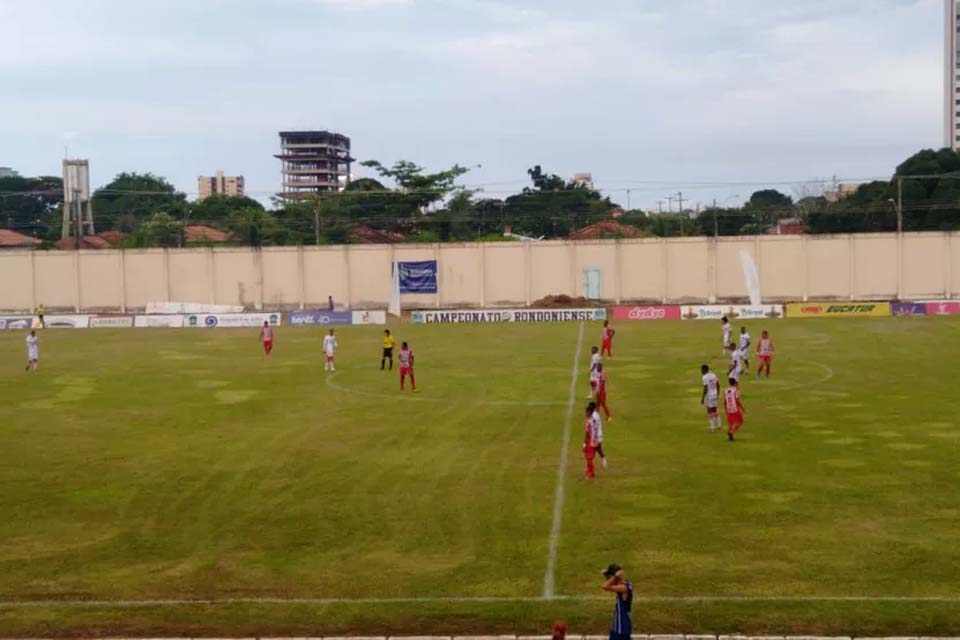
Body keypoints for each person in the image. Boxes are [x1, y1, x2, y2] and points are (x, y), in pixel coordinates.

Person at [601, 564, 633, 640]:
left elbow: (605, 586)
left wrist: (615, 576)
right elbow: (610, 584)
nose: (609, 579)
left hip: (621, 627)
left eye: (610, 576)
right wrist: (608, 575)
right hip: (620, 626)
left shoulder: (623, 588)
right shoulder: (626, 584)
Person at [700, 364, 720, 432]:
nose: (701, 372)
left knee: (709, 411)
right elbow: (718, 384)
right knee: (715, 409)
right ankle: (719, 424)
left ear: (704, 370)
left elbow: (705, 388)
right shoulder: (713, 375)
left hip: (709, 396)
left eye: (701, 370)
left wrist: (702, 398)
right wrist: (718, 393)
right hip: (715, 394)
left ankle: (712, 427)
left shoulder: (704, 377)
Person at [589, 401, 608, 469]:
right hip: (597, 434)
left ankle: (602, 459)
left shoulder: (594, 416)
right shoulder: (595, 414)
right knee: (597, 449)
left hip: (597, 435)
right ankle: (603, 459)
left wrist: (594, 436)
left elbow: (595, 427)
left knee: (595, 448)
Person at [583, 404, 597, 479]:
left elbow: (587, 434)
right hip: (595, 441)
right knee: (590, 458)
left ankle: (590, 473)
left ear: (589, 412)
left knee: (588, 458)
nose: (585, 413)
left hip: (590, 442)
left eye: (586, 412)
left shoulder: (588, 422)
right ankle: (591, 471)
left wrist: (584, 444)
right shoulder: (594, 420)